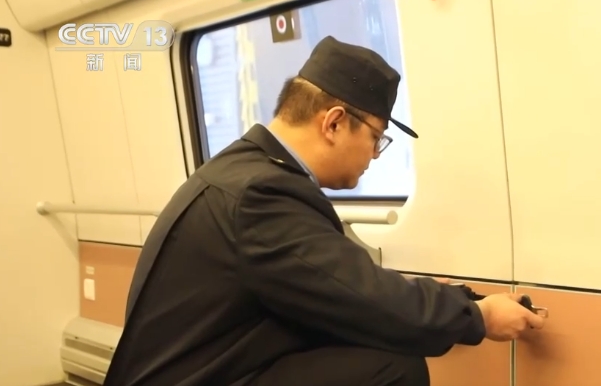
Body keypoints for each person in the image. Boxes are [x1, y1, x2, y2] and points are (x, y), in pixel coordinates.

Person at [102, 35, 545, 386]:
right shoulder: (263, 195)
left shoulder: (245, 171)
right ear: (333, 123)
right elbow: (362, 296)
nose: (375, 155)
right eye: (376, 138)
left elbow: (339, 284)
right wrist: (479, 318)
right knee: (392, 369)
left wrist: (456, 300)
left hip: (216, 369)